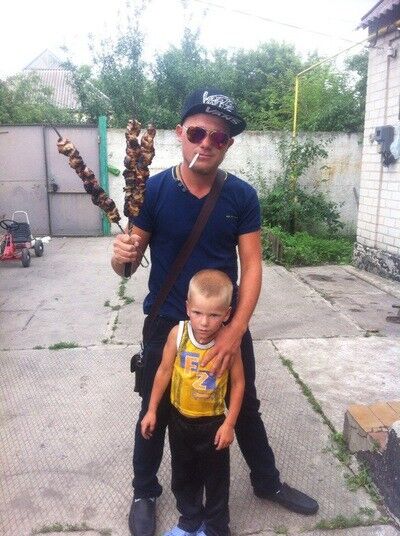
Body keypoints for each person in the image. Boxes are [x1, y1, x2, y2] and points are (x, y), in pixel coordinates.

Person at [111, 86, 319, 536]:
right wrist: (121, 254)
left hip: (225, 321)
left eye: (218, 137)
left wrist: (235, 329)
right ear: (180, 133)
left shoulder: (240, 196)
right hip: (167, 323)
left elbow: (253, 265)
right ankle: (144, 491)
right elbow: (127, 267)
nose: (206, 143)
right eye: (197, 132)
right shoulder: (152, 191)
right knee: (155, 404)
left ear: (228, 145)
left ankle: (266, 481)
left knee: (244, 406)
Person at [141, 269, 244, 536]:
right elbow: (163, 371)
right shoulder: (178, 334)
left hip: (213, 425)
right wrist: (151, 410)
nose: (205, 323)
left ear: (227, 314)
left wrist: (229, 424)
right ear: (187, 308)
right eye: (197, 312)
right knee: (183, 476)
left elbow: (239, 384)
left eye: (214, 315)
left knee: (216, 481)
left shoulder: (228, 344)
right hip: (179, 421)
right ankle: (190, 520)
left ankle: (217, 528)